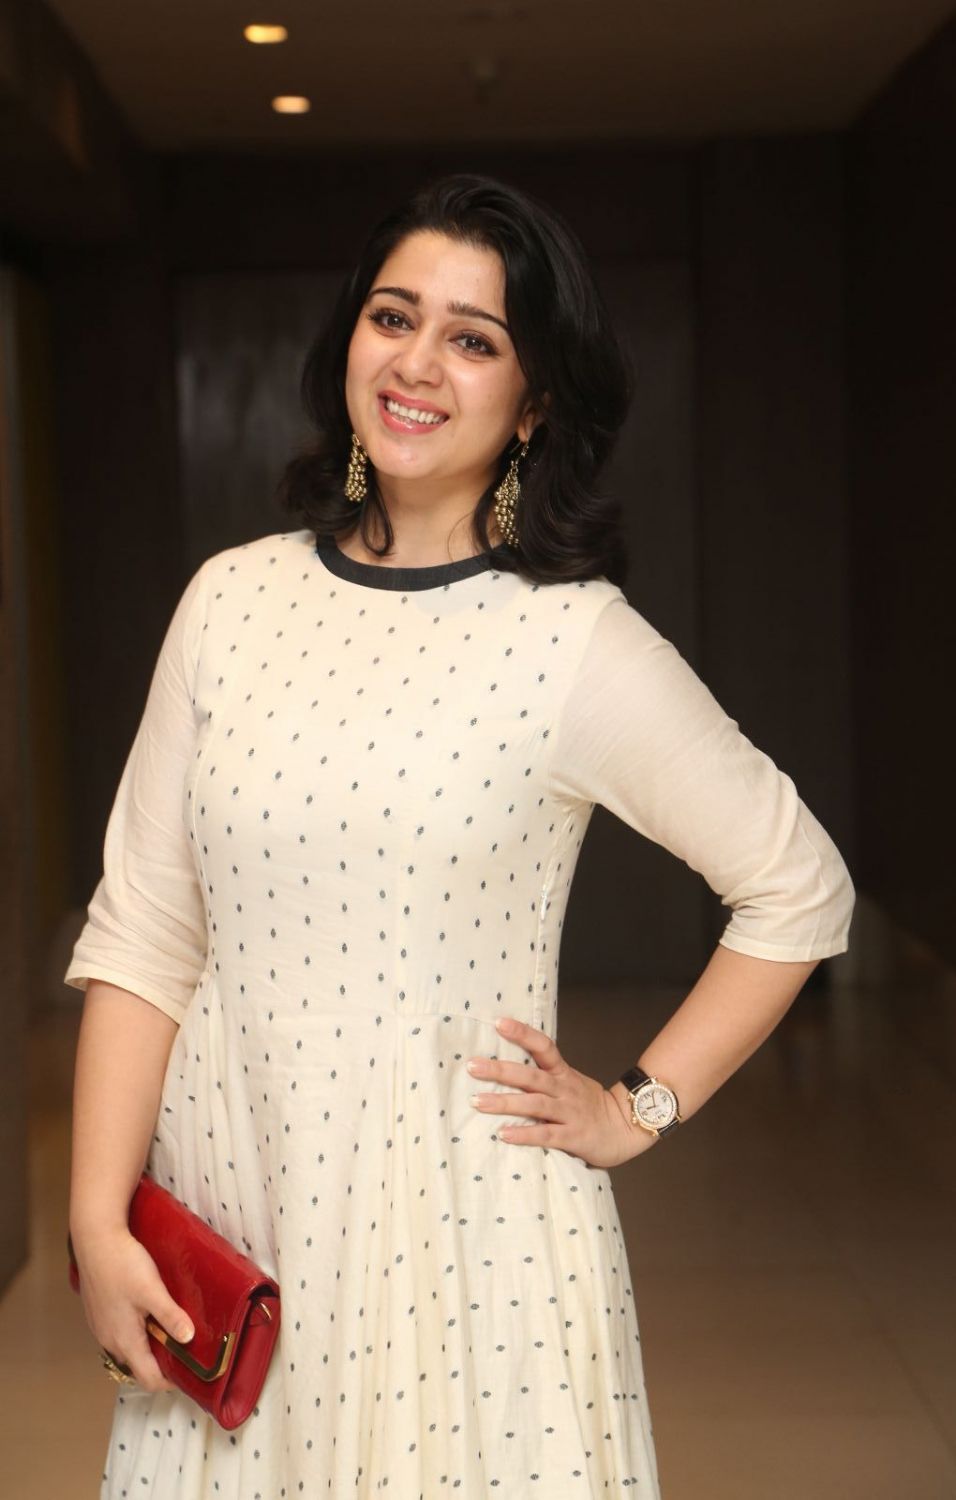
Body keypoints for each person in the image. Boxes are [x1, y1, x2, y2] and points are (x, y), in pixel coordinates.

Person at [66, 171, 855, 1498]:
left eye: (474, 338)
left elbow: (799, 889)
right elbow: (145, 932)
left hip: (465, 1235)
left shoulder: (571, 642)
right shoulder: (229, 604)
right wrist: (96, 1219)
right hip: (235, 1208)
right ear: (350, 343)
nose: (418, 362)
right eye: (394, 317)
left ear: (534, 402)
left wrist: (636, 1108)